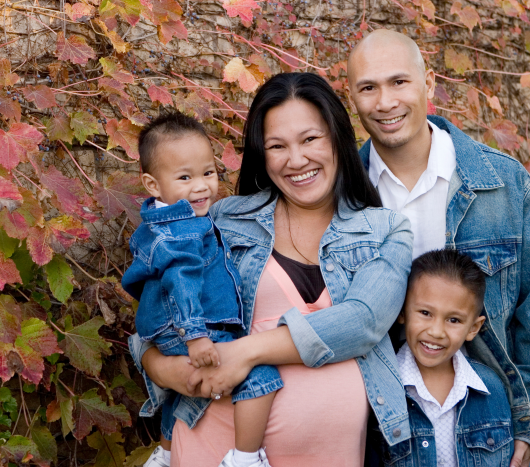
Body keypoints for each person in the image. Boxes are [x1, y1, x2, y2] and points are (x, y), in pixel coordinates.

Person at [129, 73, 415, 466]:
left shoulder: (386, 230)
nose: (296, 160)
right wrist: (160, 368)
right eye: (277, 146)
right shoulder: (224, 221)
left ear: (337, 137)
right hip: (215, 444)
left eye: (310, 139)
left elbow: (363, 321)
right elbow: (162, 302)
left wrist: (245, 353)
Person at [347, 29, 530, 466]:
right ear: (352, 96)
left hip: (498, 433)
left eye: (399, 82)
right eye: (368, 88)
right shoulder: (343, 196)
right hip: (383, 436)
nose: (385, 102)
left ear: (428, 82)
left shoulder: (503, 184)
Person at [122, 112, 282, 467]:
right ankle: (245, 457)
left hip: (168, 327)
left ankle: (164, 453)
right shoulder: (183, 231)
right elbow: (181, 282)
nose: (201, 187)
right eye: (184, 177)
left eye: (208, 173)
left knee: (180, 394)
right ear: (152, 184)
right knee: (260, 377)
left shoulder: (161, 221)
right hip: (190, 326)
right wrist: (195, 335)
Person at [368, 249, 515, 466]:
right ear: (402, 312)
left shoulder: (490, 389)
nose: (436, 331)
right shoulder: (379, 389)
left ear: (473, 328)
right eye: (425, 313)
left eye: (454, 320)